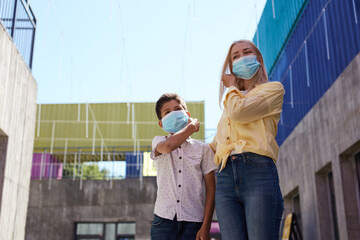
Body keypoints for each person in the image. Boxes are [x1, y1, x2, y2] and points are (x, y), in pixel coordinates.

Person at [210, 40, 285, 240]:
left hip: (258, 170)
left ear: (258, 59)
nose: (241, 58)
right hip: (225, 176)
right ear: (231, 66)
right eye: (235, 56)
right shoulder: (230, 103)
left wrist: (231, 87)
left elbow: (239, 113)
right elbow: (216, 145)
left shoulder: (273, 90)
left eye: (247, 52)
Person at [150, 93, 217, 240]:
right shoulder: (159, 142)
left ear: (187, 114)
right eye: (167, 112)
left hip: (194, 223)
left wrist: (206, 227)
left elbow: (211, 189)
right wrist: (191, 127)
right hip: (163, 221)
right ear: (161, 123)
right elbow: (168, 147)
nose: (173, 113)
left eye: (177, 109)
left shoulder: (203, 149)